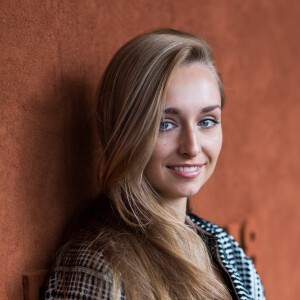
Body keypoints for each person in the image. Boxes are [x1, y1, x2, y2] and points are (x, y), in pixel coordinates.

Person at [44, 29, 265, 300]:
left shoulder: (228, 250)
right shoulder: (97, 268)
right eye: (165, 124)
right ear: (125, 133)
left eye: (206, 121)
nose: (192, 147)